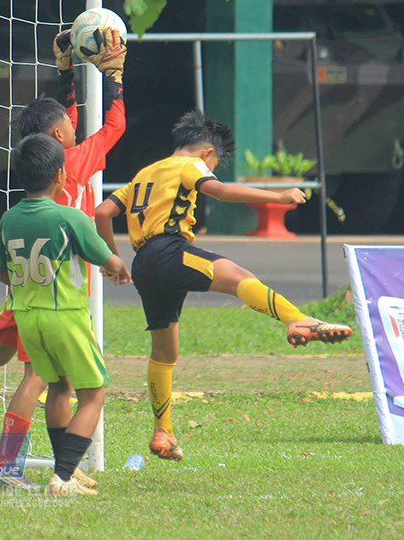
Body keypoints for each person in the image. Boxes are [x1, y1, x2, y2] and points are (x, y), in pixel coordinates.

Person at [0, 27, 126, 487]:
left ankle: (61, 471)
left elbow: (65, 117)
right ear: (59, 137)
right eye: (70, 126)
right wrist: (113, 76)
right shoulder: (69, 163)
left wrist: (66, 75)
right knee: (39, 380)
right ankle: (4, 463)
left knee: (11, 360)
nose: (77, 127)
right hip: (60, 294)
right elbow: (114, 127)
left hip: (27, 285)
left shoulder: (38, 169)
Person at [94, 109, 354, 462]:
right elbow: (218, 190)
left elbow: (102, 212)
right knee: (239, 278)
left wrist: (114, 259)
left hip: (143, 264)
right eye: (213, 163)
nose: (210, 170)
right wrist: (278, 197)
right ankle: (298, 319)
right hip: (170, 250)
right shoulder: (191, 165)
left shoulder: (144, 174)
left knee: (164, 353)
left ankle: (163, 432)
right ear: (206, 153)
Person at [0, 133, 130, 495]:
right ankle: (64, 476)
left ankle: (62, 468)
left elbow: (2, 273)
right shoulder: (70, 217)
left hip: (27, 317)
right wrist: (119, 268)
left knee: (59, 386)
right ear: (59, 175)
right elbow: (110, 261)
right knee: (94, 394)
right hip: (65, 317)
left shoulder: (8, 219)